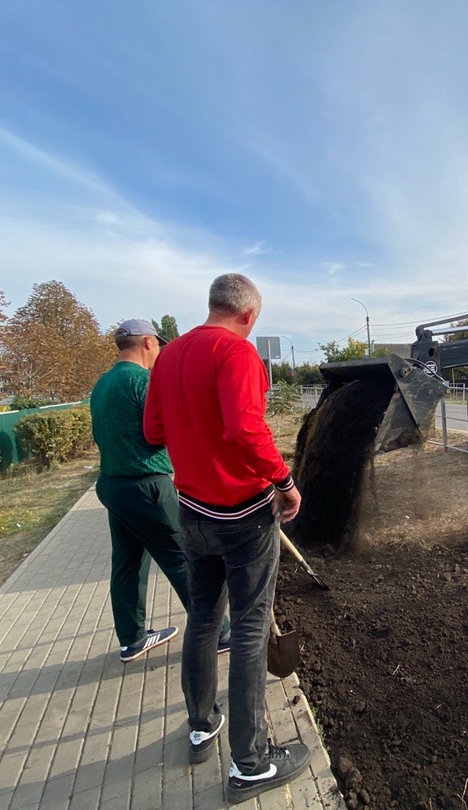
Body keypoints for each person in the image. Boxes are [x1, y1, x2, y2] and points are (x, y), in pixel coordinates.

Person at [144, 274, 310, 799]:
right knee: (250, 628)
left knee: (202, 618)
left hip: (191, 513)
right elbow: (244, 429)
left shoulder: (169, 357)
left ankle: (201, 725)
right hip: (243, 515)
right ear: (249, 315)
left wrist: (194, 438)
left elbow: (153, 432)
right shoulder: (236, 353)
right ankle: (251, 761)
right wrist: (284, 481)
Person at [90, 319, 191, 663]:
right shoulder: (141, 381)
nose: (160, 351)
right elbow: (161, 431)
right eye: (159, 345)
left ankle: (132, 640)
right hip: (146, 486)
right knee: (182, 557)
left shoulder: (103, 383)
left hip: (111, 485)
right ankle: (221, 633)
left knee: (127, 562)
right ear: (148, 342)